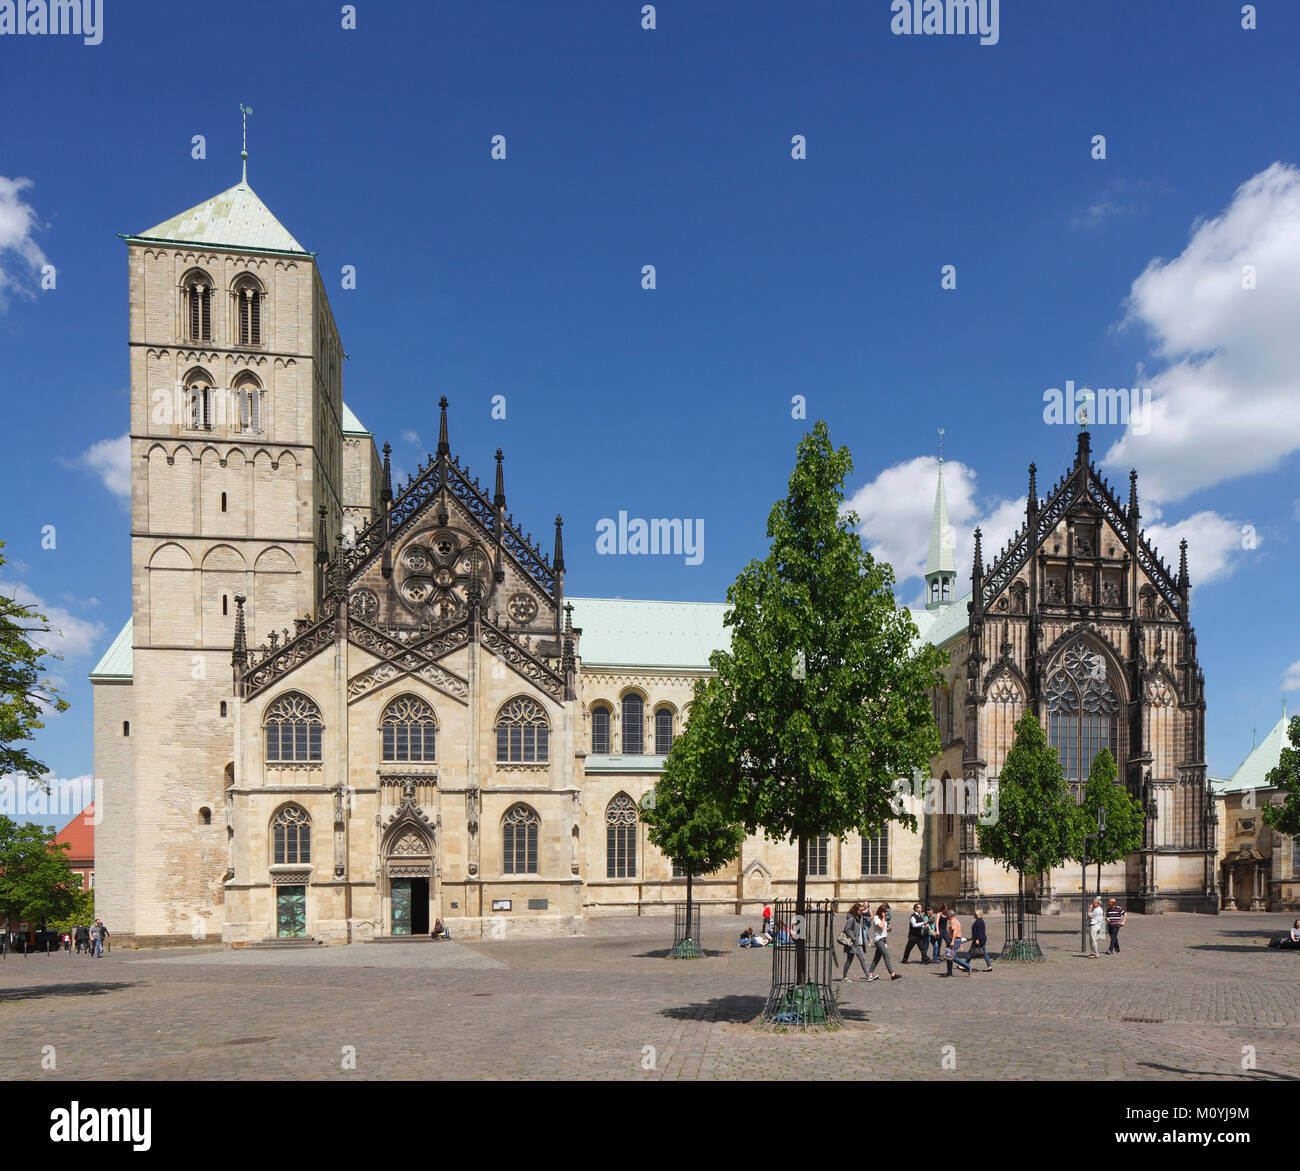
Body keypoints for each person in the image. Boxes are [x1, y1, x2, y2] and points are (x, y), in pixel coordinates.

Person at [867, 902, 902, 981]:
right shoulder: (876, 917)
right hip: (879, 940)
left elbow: (883, 929)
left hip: (883, 939)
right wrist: (883, 918)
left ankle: (870, 975)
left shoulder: (883, 918)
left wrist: (888, 930)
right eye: (885, 912)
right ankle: (892, 974)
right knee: (886, 956)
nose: (886, 913)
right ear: (881, 911)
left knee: (876, 958)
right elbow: (880, 927)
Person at [840, 902, 871, 982]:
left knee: (859, 959)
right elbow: (847, 929)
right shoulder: (852, 919)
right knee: (853, 960)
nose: (862, 911)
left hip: (859, 943)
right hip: (853, 943)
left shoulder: (860, 917)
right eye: (861, 910)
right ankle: (845, 977)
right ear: (857, 910)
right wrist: (854, 938)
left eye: (863, 910)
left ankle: (868, 976)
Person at [945, 910, 971, 975]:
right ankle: (949, 972)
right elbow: (959, 932)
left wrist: (953, 941)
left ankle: (968, 966)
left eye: (947, 915)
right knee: (948, 956)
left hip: (954, 940)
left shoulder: (952, 921)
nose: (946, 916)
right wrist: (960, 943)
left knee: (951, 956)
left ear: (949, 915)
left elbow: (955, 931)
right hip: (957, 939)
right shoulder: (957, 921)